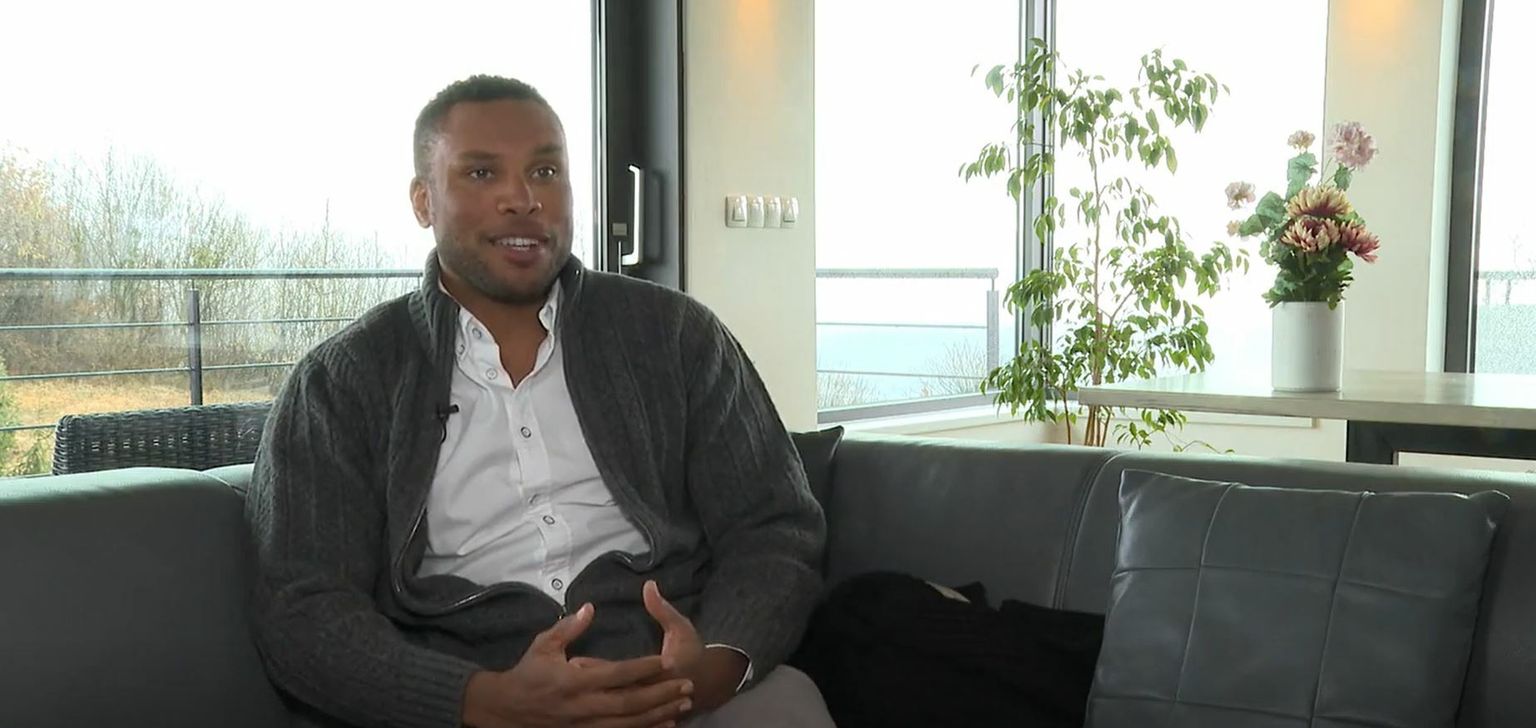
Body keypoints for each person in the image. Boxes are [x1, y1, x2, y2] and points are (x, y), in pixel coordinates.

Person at [245, 74, 833, 728]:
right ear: (423, 200)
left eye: (545, 171)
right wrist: (478, 700)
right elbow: (301, 606)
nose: (522, 199)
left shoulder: (674, 336)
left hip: (679, 683)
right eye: (481, 173)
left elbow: (774, 525)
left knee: (790, 704)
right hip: (470, 695)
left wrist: (715, 667)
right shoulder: (341, 382)